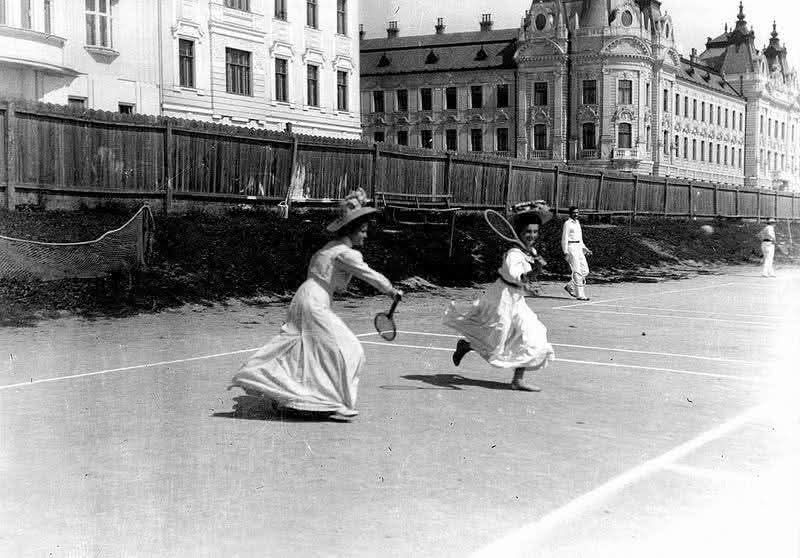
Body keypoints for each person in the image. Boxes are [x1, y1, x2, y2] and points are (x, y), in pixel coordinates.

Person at [229, 188, 402, 421]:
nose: (366, 236)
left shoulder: (327, 249)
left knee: (307, 351)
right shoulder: (346, 254)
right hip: (314, 303)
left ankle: (294, 398)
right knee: (351, 350)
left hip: (303, 298)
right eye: (362, 231)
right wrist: (391, 290)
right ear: (351, 231)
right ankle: (336, 401)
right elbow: (368, 275)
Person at [444, 209, 555, 392]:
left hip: (517, 300)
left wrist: (534, 271)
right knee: (495, 340)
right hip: (501, 298)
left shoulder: (531, 251)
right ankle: (466, 345)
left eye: (535, 232)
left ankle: (517, 380)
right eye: (528, 231)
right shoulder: (514, 253)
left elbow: (524, 280)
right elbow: (516, 275)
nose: (532, 235)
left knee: (533, 334)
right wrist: (534, 271)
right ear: (519, 232)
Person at [562, 206, 592, 301]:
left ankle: (570, 285)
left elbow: (580, 239)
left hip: (579, 248)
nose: (576, 214)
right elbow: (564, 239)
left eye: (577, 212)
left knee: (585, 270)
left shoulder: (578, 223)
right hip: (571, 248)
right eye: (574, 212)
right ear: (570, 214)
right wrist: (566, 252)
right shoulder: (567, 224)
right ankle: (580, 295)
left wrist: (585, 249)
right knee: (577, 272)